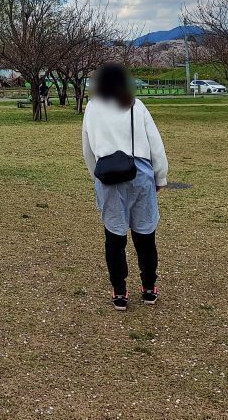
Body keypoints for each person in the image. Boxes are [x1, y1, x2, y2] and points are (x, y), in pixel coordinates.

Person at [82, 63, 168, 311]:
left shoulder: (92, 108)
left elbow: (87, 148)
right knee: (145, 235)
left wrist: (96, 177)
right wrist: (160, 178)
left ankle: (120, 292)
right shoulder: (136, 106)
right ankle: (149, 288)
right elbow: (156, 145)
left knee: (114, 236)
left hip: (107, 176)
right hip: (140, 173)